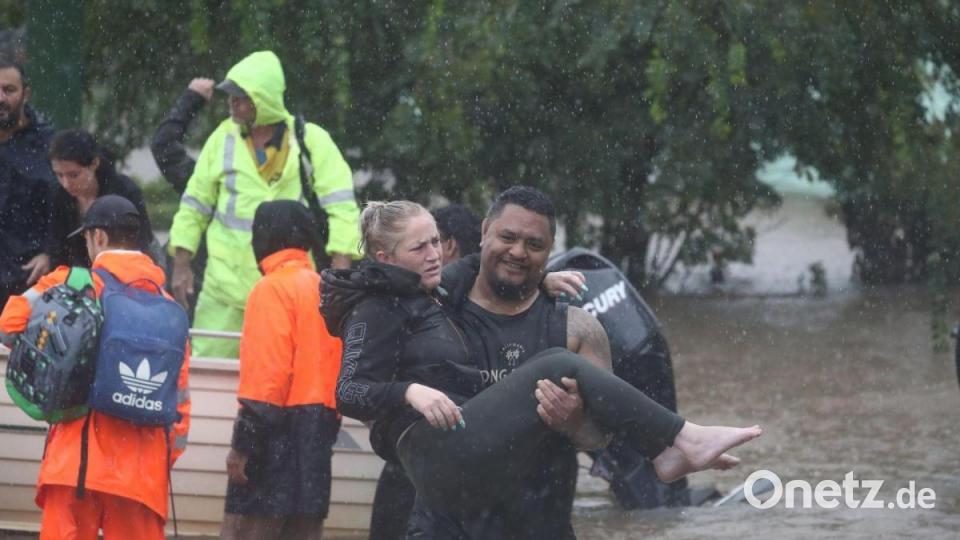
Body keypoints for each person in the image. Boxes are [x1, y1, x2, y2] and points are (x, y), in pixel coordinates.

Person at [321, 201, 761, 529]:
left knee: (554, 376)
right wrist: (408, 392)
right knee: (553, 363)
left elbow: (479, 267)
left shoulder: (430, 289)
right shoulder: (375, 308)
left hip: (461, 453)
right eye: (419, 247)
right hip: (429, 452)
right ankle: (680, 440)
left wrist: (536, 279)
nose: (435, 254)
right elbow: (349, 390)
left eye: (436, 240)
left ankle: (663, 451)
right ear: (385, 258)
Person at [0, 194, 191, 540]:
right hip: (141, 480)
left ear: (98, 237)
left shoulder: (71, 284)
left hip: (74, 467)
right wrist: (153, 462)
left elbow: (8, 326)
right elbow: (179, 410)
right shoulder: (170, 310)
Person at [168, 50, 361, 359]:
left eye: (241, 96)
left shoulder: (311, 140)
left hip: (288, 288)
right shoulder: (223, 138)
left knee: (283, 372)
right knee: (209, 371)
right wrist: (181, 262)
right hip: (224, 289)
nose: (232, 102)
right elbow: (195, 203)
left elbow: (342, 209)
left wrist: (340, 276)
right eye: (230, 95)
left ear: (264, 99)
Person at [219, 200, 342, 540]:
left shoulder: (271, 289)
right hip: (318, 436)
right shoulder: (324, 289)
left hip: (272, 436)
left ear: (264, 236)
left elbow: (267, 381)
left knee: (245, 531)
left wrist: (242, 446)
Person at [151, 77, 214, 316]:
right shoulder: (204, 181)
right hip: (191, 287)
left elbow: (164, 146)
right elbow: (164, 147)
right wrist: (192, 99)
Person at [46, 129, 155, 268]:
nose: (66, 184)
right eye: (59, 175)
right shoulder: (58, 196)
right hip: (78, 274)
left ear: (94, 164)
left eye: (74, 175)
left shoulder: (124, 192)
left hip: (125, 270)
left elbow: (141, 243)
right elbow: (58, 250)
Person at [0, 60, 55, 305]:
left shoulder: (48, 146)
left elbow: (66, 204)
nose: (0, 98)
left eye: (8, 90)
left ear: (25, 94)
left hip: (27, 280)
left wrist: (50, 252)